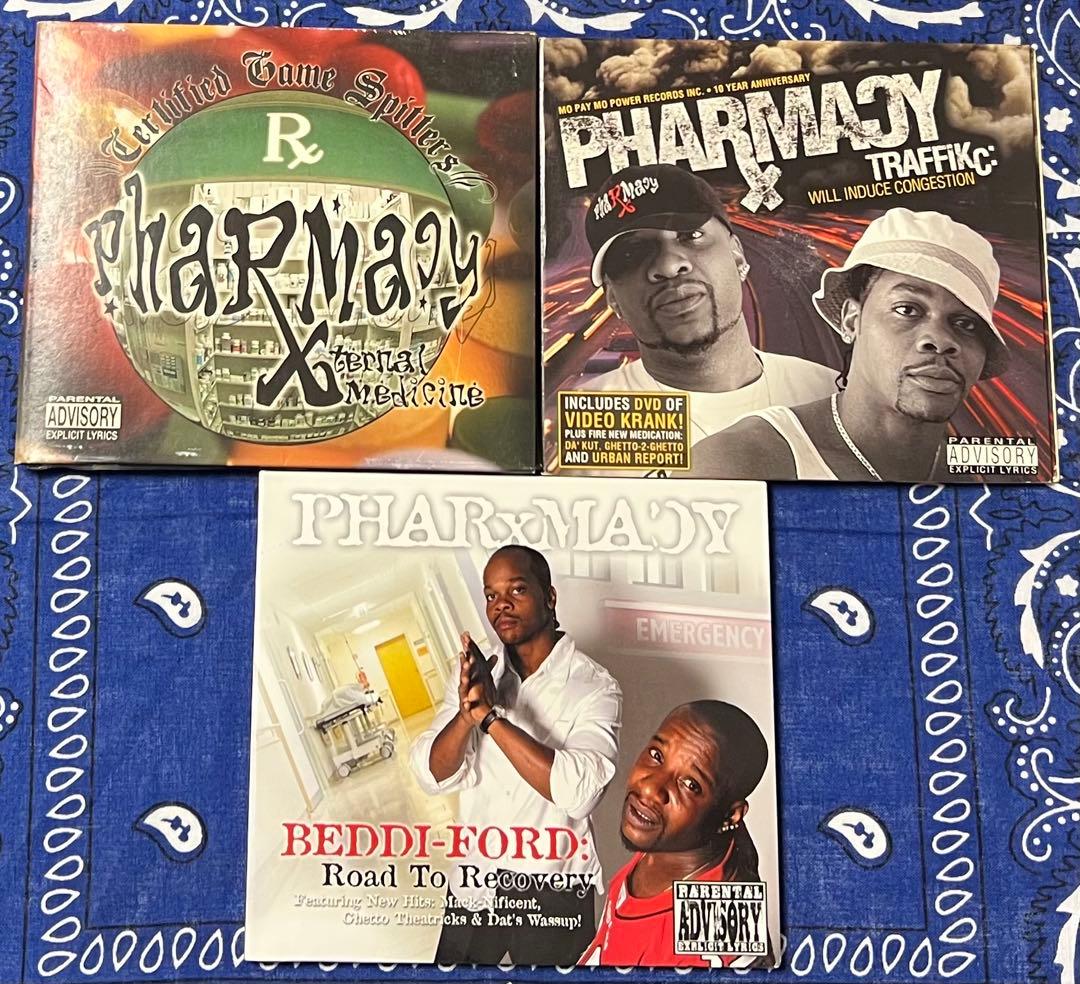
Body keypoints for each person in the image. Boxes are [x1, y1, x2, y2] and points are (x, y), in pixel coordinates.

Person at [410, 544, 622, 966]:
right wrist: (466, 716)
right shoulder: (476, 673)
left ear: (549, 597)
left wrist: (490, 718)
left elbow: (579, 792)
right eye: (491, 594)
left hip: (555, 887)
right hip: (477, 879)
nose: (500, 605)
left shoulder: (595, 686)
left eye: (517, 589)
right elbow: (430, 774)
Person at [691, 208, 1010, 481]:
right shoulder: (740, 463)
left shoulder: (989, 480)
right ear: (851, 321)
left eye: (966, 323)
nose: (940, 340)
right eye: (907, 309)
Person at [580, 163, 837, 446]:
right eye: (632, 252)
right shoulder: (588, 426)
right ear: (612, 298)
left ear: (737, 256)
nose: (668, 265)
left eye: (691, 235)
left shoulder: (830, 394)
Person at [579, 700, 770, 969]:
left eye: (690, 784)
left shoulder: (717, 923)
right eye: (656, 755)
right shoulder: (668, 848)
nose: (650, 789)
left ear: (729, 816)